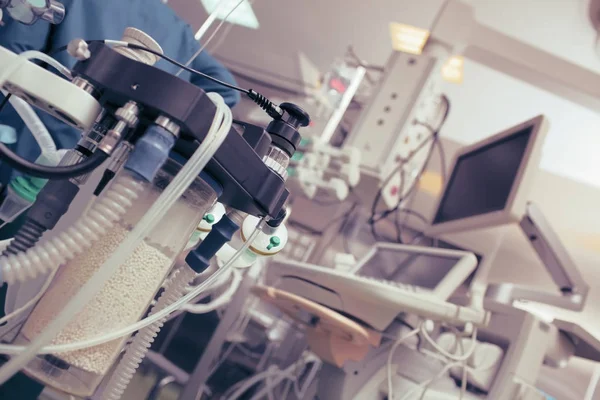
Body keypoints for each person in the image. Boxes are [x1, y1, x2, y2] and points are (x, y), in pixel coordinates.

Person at [0, 1, 240, 397]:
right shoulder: (177, 32)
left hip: (29, 175)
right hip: (93, 204)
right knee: (36, 330)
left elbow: (16, 57)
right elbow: (219, 102)